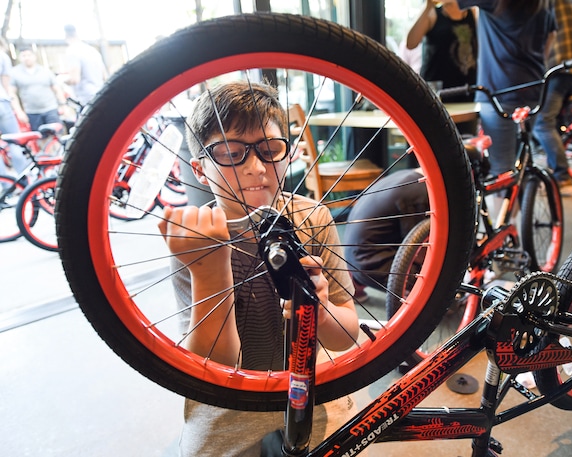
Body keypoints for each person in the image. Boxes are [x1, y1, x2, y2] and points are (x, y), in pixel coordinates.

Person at [157, 81, 359, 456]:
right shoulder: (194, 236)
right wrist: (210, 271)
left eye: (270, 150)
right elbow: (210, 367)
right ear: (200, 170)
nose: (256, 168)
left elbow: (346, 337)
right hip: (226, 402)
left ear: (290, 154)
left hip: (304, 390)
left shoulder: (313, 218)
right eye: (231, 153)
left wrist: (322, 310)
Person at [458, 0, 556, 177]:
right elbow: (551, 35)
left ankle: (511, 205)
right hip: (533, 86)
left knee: (501, 170)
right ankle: (520, 203)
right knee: (521, 163)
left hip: (499, 89)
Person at [344, 168, 429, 300]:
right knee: (431, 274)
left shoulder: (404, 175)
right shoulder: (420, 192)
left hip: (349, 257)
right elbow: (418, 248)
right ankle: (410, 294)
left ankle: (354, 284)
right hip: (369, 265)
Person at [532, 0, 572, 194]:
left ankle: (562, 177)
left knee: (542, 123)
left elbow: (542, 35)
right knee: (553, 123)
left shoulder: (549, 3)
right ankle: (554, 171)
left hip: (559, 68)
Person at [406, 0, 478, 102]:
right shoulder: (432, 13)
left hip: (465, 89)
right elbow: (410, 43)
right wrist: (428, 6)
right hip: (437, 92)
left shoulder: (472, 13)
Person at [9, 46, 67, 131]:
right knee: (40, 138)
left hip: (50, 109)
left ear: (34, 56)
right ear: (20, 58)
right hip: (32, 112)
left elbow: (57, 89)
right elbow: (11, 94)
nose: (27, 58)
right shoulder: (15, 73)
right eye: (24, 56)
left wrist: (63, 105)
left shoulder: (45, 71)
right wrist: (19, 112)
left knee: (56, 135)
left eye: (29, 55)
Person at [0, 37, 29, 180]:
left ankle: (5, 186)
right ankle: (24, 181)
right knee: (15, 141)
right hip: (2, 102)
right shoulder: (2, 56)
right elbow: (6, 84)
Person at [62, 24, 107, 105]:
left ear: (66, 36)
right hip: (100, 94)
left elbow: (74, 79)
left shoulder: (72, 51)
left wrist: (61, 80)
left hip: (86, 99)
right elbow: (104, 77)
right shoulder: (93, 51)